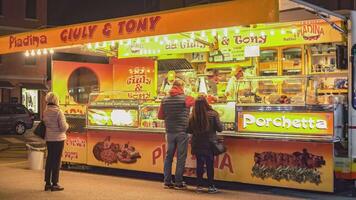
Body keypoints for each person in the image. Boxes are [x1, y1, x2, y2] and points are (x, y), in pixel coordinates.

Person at [158, 80, 195, 189]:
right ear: (182, 87)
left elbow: (160, 116)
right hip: (182, 132)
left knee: (168, 156)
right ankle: (178, 182)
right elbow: (200, 104)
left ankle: (167, 181)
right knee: (181, 157)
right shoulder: (187, 98)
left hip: (169, 131)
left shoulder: (164, 100)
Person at [187, 95, 223, 194]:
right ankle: (211, 186)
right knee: (210, 164)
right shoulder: (213, 114)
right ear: (206, 103)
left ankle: (199, 186)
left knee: (199, 164)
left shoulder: (193, 116)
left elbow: (188, 130)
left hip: (197, 143)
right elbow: (220, 128)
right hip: (210, 143)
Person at [43, 92, 69, 191]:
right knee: (57, 161)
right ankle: (55, 183)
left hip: (49, 139)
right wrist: (68, 125)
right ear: (56, 100)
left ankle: (47, 183)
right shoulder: (58, 112)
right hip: (58, 139)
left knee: (49, 160)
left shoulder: (45, 111)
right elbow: (63, 127)